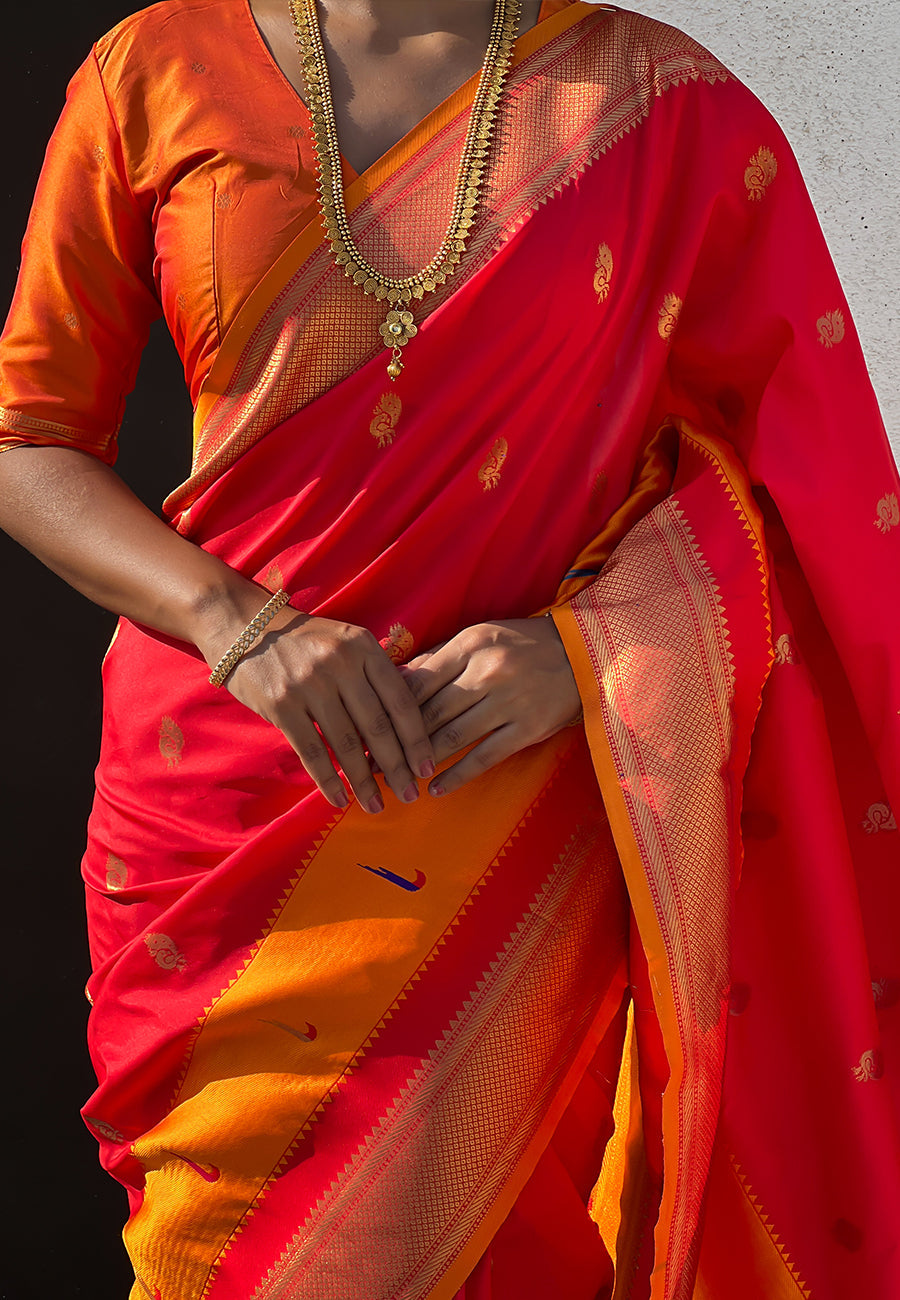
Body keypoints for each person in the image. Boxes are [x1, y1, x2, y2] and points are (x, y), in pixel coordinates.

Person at [0, 0, 897, 1296]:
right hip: (218, 803)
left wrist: (591, 653)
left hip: (506, 812)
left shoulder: (662, 107)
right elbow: (28, 443)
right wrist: (235, 624)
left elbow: (800, 500)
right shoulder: (157, 69)